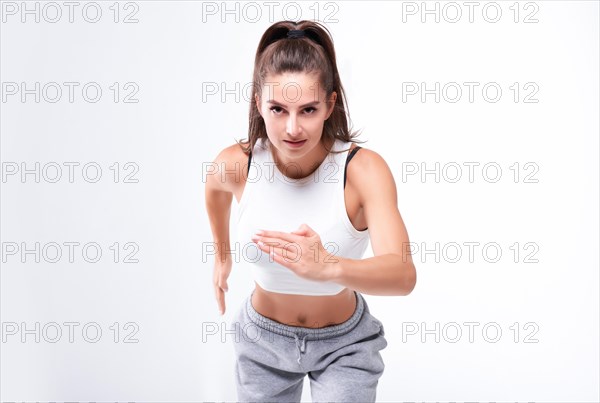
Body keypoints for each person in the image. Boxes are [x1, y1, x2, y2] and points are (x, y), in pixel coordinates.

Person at [205, 20, 417, 403]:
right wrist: (222, 256)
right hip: (261, 342)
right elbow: (215, 189)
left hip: (344, 345)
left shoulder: (362, 171)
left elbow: (402, 274)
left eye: (307, 109)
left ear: (329, 105)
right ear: (258, 103)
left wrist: (329, 267)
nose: (291, 128)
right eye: (277, 109)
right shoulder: (238, 164)